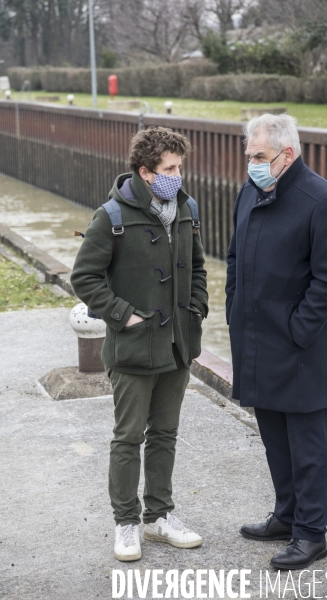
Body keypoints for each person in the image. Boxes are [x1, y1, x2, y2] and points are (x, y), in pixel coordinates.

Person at [71, 126, 208, 562]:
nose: (179, 175)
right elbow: (84, 278)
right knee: (128, 437)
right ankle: (126, 523)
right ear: (147, 172)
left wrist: (197, 308)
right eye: (171, 168)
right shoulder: (110, 216)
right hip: (132, 348)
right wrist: (122, 315)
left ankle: (158, 518)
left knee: (165, 434)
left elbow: (199, 268)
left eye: (181, 167)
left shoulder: (186, 209)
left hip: (177, 346)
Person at [226, 114, 327, 570]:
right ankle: (287, 514)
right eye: (250, 157)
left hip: (300, 348)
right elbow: (235, 258)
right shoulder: (251, 192)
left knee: (309, 446)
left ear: (286, 154)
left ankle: (311, 533)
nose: (252, 165)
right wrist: (234, 312)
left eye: (259, 157)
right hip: (257, 340)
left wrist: (298, 330)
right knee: (274, 438)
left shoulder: (321, 200)